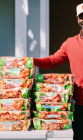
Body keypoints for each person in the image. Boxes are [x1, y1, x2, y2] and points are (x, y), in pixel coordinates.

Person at [33, 3, 83, 140]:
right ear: (78, 19)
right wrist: (32, 61)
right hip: (80, 105)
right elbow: (52, 61)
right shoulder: (70, 43)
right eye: (82, 16)